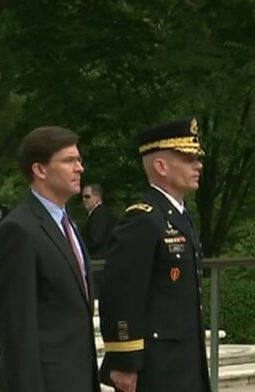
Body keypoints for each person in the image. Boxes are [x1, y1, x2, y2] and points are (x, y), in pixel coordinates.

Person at [99, 118, 210, 392]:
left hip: (183, 361)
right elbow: (121, 294)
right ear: (161, 166)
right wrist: (124, 361)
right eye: (188, 158)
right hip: (156, 366)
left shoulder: (179, 216)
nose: (198, 165)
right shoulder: (143, 219)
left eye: (197, 158)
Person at [0, 126, 99, 392]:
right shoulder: (19, 230)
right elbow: (15, 327)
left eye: (79, 160)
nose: (79, 168)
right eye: (69, 161)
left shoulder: (67, 224)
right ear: (40, 170)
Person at [81, 183, 115, 259]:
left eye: (87, 197)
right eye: (82, 197)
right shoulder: (97, 213)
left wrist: (79, 249)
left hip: (98, 260)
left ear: (97, 197)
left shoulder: (99, 214)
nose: (84, 200)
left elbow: (95, 240)